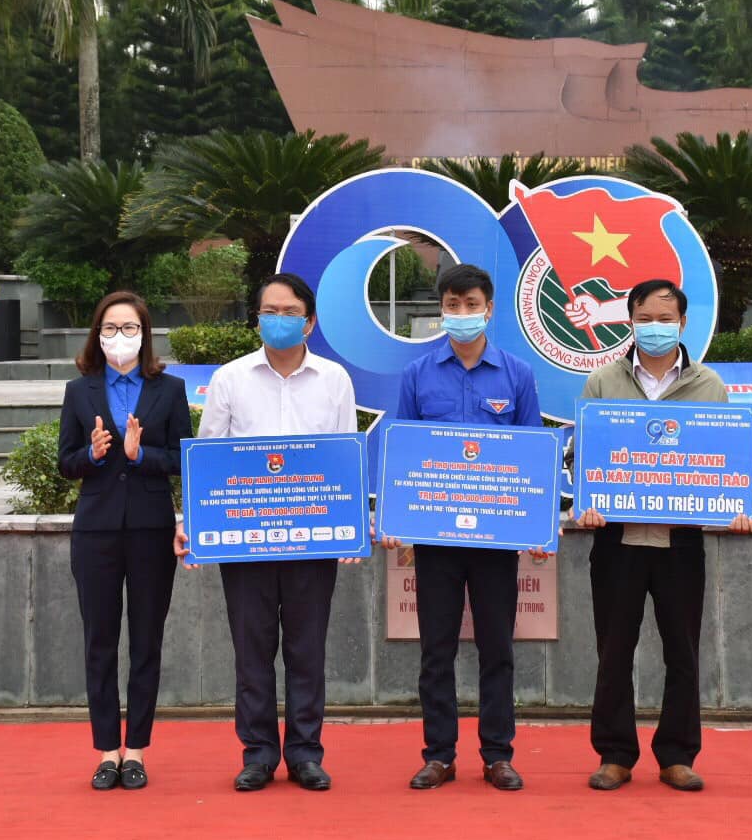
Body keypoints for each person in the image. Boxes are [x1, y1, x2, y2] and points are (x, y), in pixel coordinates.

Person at [572, 279, 752, 794]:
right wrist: (586, 501)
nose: (655, 328)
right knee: (614, 651)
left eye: (666, 319)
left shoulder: (708, 386)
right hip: (617, 542)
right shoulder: (602, 382)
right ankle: (615, 754)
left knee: (683, 650)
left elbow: (726, 462)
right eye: (645, 319)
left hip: (681, 544)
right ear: (630, 320)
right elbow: (584, 456)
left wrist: (737, 507)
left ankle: (677, 755)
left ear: (683, 323)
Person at [191, 273, 360, 793]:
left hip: (314, 540)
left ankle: (306, 753)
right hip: (245, 542)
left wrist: (353, 526)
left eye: (290, 313)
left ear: (309, 322)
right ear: (257, 318)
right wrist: (195, 524)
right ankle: (258, 754)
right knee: (252, 652)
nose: (279, 320)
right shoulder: (230, 379)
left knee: (307, 652)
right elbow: (209, 457)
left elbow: (345, 454)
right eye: (270, 311)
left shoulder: (334, 379)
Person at [381, 263, 544, 792]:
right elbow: (404, 452)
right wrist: (396, 519)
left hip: (497, 540)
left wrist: (539, 528)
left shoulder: (517, 374)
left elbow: (533, 456)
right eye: (453, 305)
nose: (462, 313)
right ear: (442, 310)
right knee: (437, 650)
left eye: (472, 305)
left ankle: (498, 755)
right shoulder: (418, 374)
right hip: (436, 541)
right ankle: (439, 755)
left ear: (489, 309)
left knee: (498, 649)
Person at [58, 291, 193, 791]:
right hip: (95, 529)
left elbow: (182, 458)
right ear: (97, 334)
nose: (120, 336)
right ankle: (106, 751)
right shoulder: (79, 391)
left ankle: (135, 749)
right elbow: (65, 461)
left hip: (150, 529)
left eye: (129, 327)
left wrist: (140, 455)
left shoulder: (169, 389)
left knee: (145, 640)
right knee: (99, 640)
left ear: (145, 333)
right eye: (110, 328)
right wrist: (93, 454)